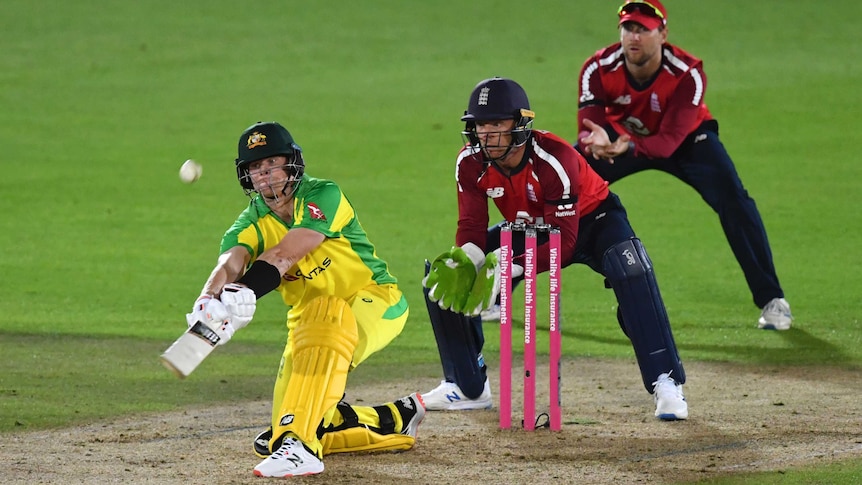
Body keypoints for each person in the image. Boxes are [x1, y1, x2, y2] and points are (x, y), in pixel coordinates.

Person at [421, 77, 688, 421]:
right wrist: (470, 259)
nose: (486, 135)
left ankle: (665, 382)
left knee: (632, 269)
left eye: (496, 125)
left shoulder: (554, 158)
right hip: (526, 226)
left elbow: (565, 241)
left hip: (592, 220)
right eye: (480, 125)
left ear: (519, 125)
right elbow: (471, 225)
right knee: (446, 279)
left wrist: (510, 267)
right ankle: (467, 386)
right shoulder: (470, 161)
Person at [187, 121, 424, 478]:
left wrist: (246, 292)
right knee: (297, 423)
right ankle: (395, 419)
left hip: (373, 301)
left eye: (272, 166)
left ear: (292, 163)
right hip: (306, 326)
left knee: (326, 317)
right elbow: (231, 261)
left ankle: (300, 448)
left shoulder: (323, 195)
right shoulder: (250, 223)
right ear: (246, 177)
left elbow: (286, 253)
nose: (265, 177)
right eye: (255, 169)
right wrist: (208, 298)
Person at [575, 0, 793, 330]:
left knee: (734, 201)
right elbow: (589, 128)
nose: (634, 37)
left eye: (644, 30)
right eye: (628, 28)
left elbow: (667, 143)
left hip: (687, 142)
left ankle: (772, 300)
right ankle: (502, 289)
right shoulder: (598, 67)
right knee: (564, 183)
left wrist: (627, 144)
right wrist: (597, 142)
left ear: (663, 33)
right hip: (621, 141)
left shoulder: (687, 74)